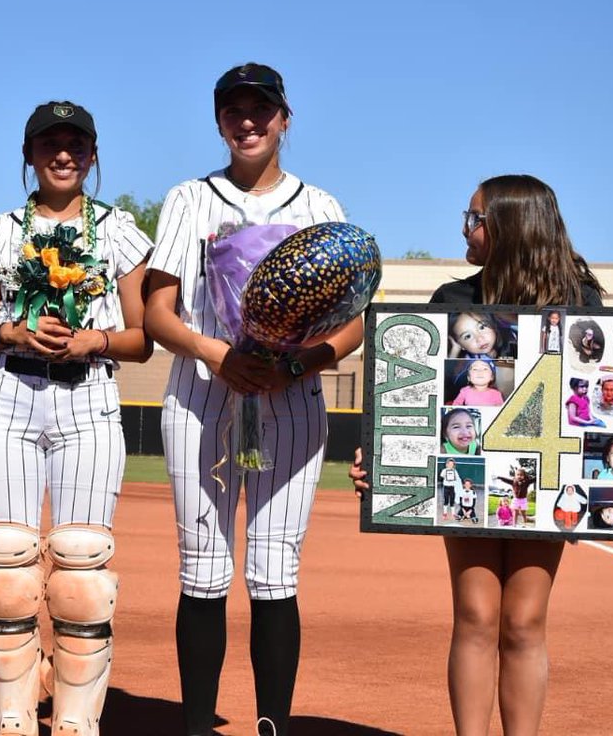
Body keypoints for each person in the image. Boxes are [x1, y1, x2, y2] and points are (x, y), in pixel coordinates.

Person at [143, 64, 363, 736]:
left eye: (261, 110)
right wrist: (220, 355)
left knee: (274, 569)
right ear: (218, 121)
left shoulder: (319, 206)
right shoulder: (190, 198)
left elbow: (353, 320)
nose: (248, 121)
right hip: (205, 394)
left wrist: (298, 361)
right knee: (203, 566)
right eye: (234, 110)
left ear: (284, 119)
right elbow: (158, 313)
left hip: (291, 400)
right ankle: (197, 724)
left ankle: (272, 724)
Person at [0, 101, 153, 736]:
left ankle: (74, 721)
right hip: (10, 392)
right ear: (29, 154)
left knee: (81, 569)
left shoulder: (120, 231)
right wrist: (5, 327)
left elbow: (144, 336)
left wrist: (94, 341)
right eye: (49, 144)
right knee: (7, 568)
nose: (62, 155)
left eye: (75, 144)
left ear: (92, 156)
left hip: (88, 395)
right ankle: (12, 720)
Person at [411, 174, 603, 732]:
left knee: (523, 621)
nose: (464, 228)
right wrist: (384, 459)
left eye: (475, 219)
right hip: (468, 469)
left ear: (512, 228)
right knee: (475, 615)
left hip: (545, 479)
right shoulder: (451, 303)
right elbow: (421, 405)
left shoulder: (582, 306)